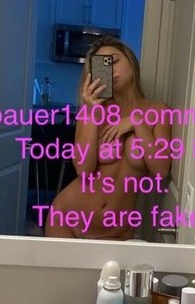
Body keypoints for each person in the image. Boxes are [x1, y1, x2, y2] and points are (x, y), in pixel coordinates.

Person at [45, 35, 172, 240]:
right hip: (67, 220)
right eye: (102, 66)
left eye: (114, 61)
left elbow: (161, 170)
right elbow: (84, 170)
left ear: (131, 62)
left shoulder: (158, 112)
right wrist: (92, 112)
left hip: (118, 231)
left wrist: (136, 122)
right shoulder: (91, 113)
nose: (110, 70)